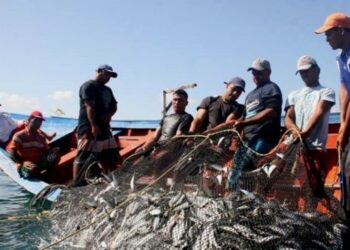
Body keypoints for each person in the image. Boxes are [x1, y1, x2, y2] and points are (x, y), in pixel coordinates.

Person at [315, 12, 350, 226]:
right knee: (345, 171)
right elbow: (345, 89)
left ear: (342, 30)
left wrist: (344, 127)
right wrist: (345, 120)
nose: (326, 39)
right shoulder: (342, 58)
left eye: (328, 34)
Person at [284, 55, 335, 197]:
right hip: (296, 148)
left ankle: (311, 213)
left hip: (315, 148)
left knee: (313, 189)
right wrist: (295, 131)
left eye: (307, 70)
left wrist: (305, 132)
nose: (304, 74)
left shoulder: (327, 92)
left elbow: (320, 111)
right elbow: (288, 117)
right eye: (301, 72)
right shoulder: (293, 95)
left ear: (317, 70)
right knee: (297, 185)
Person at [229, 58, 283, 189]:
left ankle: (250, 200)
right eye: (253, 73)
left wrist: (245, 123)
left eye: (259, 73)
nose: (255, 76)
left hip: (263, 139)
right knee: (234, 172)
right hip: (247, 141)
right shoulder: (251, 94)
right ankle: (234, 199)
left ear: (268, 72)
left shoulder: (272, 88)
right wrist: (237, 135)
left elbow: (271, 112)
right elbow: (244, 117)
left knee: (247, 171)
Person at [73, 64, 120, 185]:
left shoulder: (107, 90)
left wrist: (109, 114)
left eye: (110, 75)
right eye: (107, 74)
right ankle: (77, 185)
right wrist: (93, 125)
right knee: (83, 157)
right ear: (99, 71)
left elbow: (114, 106)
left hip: (104, 128)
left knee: (111, 156)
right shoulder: (88, 86)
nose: (108, 77)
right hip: (88, 128)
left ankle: (111, 182)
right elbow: (89, 106)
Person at [6, 111, 60, 179]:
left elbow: (45, 150)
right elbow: (11, 151)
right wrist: (22, 162)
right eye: (36, 120)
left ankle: (47, 176)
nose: (38, 123)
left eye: (40, 122)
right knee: (33, 170)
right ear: (29, 120)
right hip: (25, 164)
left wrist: (52, 151)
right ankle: (34, 175)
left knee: (56, 156)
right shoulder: (19, 136)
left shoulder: (41, 138)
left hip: (38, 162)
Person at [137, 89, 193, 153]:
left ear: (186, 103)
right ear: (172, 101)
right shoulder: (166, 118)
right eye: (175, 100)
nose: (177, 102)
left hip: (170, 151)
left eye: (180, 100)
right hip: (157, 148)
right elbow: (155, 136)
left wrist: (161, 149)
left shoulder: (187, 117)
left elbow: (178, 137)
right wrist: (144, 147)